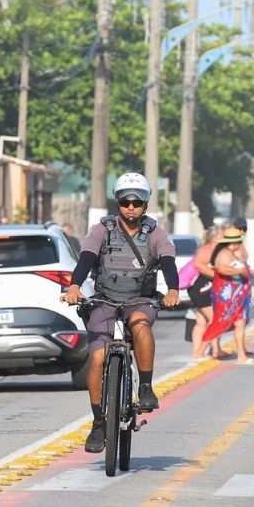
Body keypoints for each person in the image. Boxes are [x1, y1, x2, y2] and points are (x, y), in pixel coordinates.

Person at [62, 172, 179, 453]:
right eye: (125, 202)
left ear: (146, 205)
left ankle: (147, 387)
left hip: (140, 299)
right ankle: (99, 423)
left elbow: (168, 262)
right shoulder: (101, 230)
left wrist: (173, 290)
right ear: (117, 203)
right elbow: (87, 258)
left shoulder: (156, 234)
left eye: (137, 203)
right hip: (105, 300)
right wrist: (74, 286)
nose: (131, 207)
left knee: (140, 324)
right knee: (98, 357)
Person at [204, 227, 254, 364]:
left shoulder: (227, 252)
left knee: (239, 323)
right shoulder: (225, 253)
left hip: (234, 294)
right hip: (227, 294)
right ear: (235, 242)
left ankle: (241, 355)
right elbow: (222, 268)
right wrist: (240, 271)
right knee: (221, 321)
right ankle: (201, 350)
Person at [188, 225, 222, 361]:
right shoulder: (206, 250)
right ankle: (201, 352)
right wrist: (215, 275)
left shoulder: (213, 249)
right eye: (222, 235)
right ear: (214, 238)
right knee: (215, 321)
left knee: (201, 321)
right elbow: (198, 264)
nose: (224, 237)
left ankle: (212, 350)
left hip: (203, 288)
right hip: (201, 289)